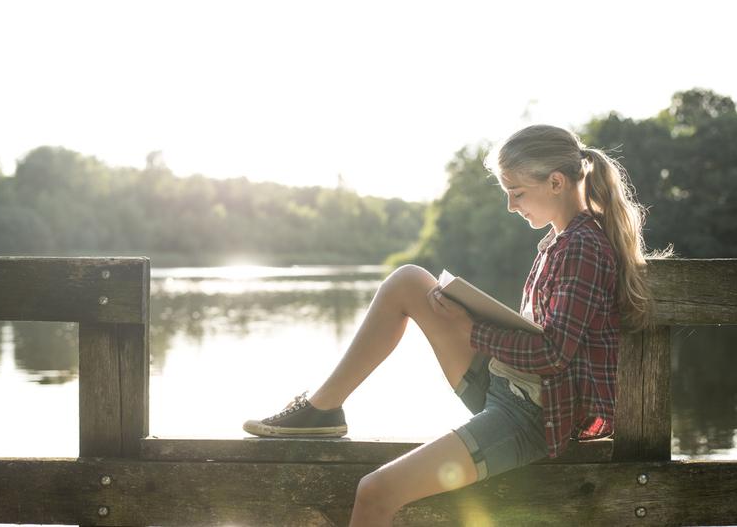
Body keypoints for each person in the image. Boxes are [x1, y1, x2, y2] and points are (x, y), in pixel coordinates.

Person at [243, 124, 672, 526]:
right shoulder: (560, 241)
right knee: (409, 281)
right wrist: (474, 318)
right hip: (512, 386)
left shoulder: (583, 246)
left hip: (535, 416)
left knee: (375, 491)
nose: (511, 205)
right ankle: (323, 409)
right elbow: (546, 337)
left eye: (517, 192)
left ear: (556, 182)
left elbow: (555, 353)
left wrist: (472, 328)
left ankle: (324, 413)